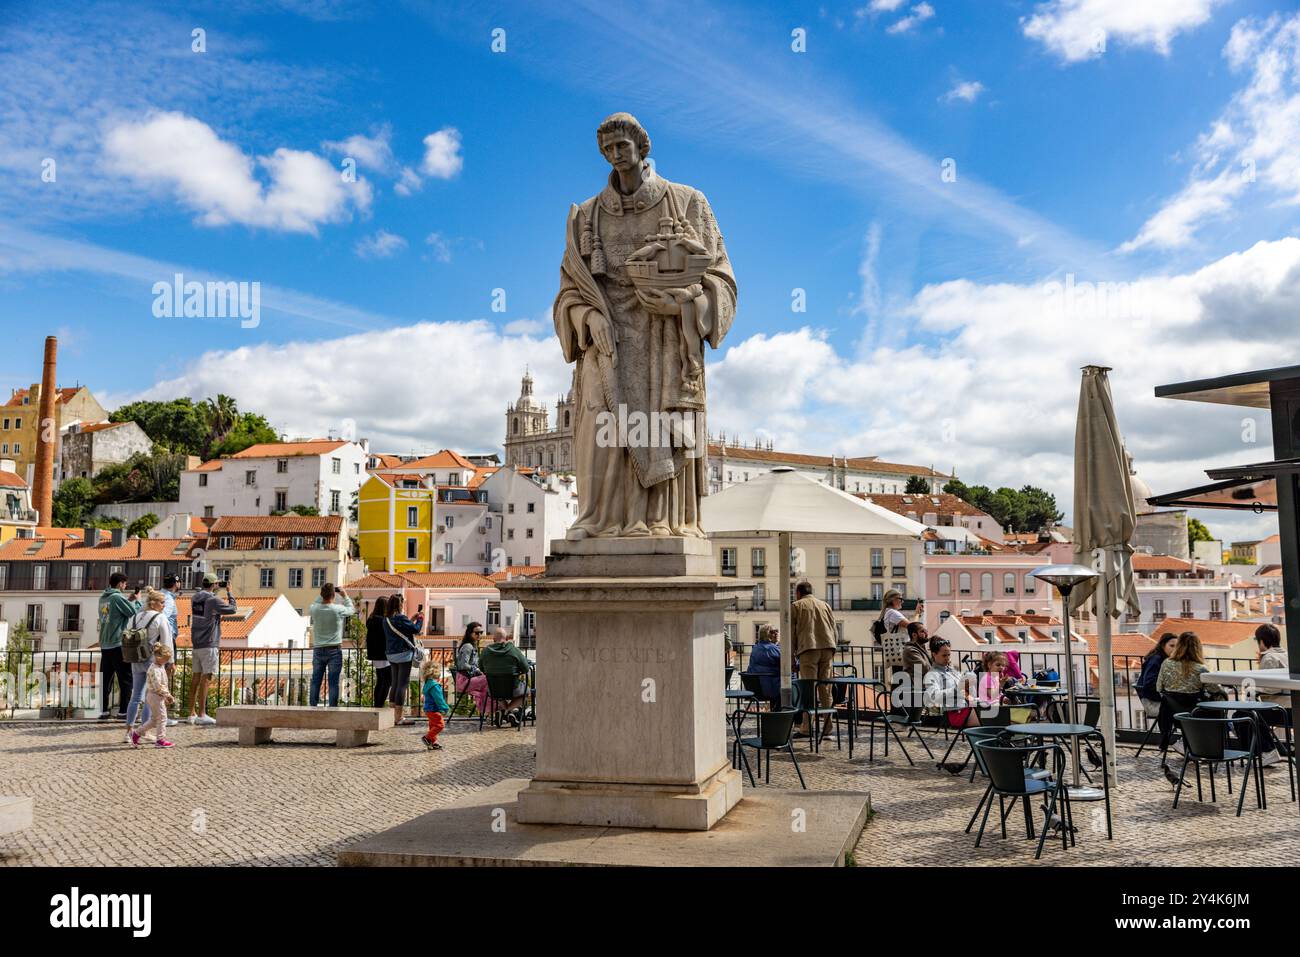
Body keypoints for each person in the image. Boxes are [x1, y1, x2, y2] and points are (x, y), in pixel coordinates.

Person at [1156, 631, 1225, 782]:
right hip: (1196, 717)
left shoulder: (1166, 664)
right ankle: (1212, 747)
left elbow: (1159, 688)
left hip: (1173, 716)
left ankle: (1191, 749)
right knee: (1216, 707)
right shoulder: (1200, 669)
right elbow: (1216, 690)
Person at [124, 589, 174, 745]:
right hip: (151, 660)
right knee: (150, 696)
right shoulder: (160, 618)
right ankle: (144, 731)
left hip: (134, 657)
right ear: (155, 603)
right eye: (162, 602)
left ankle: (128, 732)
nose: (164, 605)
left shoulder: (134, 617)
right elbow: (167, 642)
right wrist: (170, 661)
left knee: (135, 696)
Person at [188, 573, 237, 725]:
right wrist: (229, 591)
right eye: (217, 583)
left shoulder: (195, 598)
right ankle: (202, 714)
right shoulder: (213, 599)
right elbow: (232, 609)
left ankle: (191, 714)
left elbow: (207, 613)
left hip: (196, 642)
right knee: (206, 679)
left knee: (195, 679)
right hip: (209, 643)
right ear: (214, 584)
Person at [791, 580, 837, 739]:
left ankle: (806, 728)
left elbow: (792, 633)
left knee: (808, 690)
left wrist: (791, 656)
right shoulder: (825, 605)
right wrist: (833, 650)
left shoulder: (797, 606)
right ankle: (827, 729)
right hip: (828, 648)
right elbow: (833, 629)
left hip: (808, 649)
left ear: (798, 593)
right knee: (826, 690)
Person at [97, 572, 140, 719]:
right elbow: (133, 612)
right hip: (117, 644)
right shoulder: (116, 597)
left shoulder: (104, 597)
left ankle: (103, 711)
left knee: (106, 679)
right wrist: (137, 600)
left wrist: (128, 600)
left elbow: (114, 613)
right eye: (124, 583)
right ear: (120, 583)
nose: (125, 586)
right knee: (125, 679)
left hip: (105, 644)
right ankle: (123, 711)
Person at [308, 583, 355, 708]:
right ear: (333, 595)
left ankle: (313, 706)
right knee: (333, 682)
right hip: (334, 650)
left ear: (322, 594)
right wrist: (344, 595)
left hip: (318, 649)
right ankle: (332, 707)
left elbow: (314, 603)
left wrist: (322, 595)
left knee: (316, 680)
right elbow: (351, 609)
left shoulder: (314, 609)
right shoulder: (337, 609)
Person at [479, 626, 532, 725]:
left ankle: (503, 711)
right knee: (526, 692)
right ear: (507, 639)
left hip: (494, 690)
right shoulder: (514, 650)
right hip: (512, 688)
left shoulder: (485, 652)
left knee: (498, 694)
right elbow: (526, 668)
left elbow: (481, 668)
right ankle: (508, 711)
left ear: (493, 639)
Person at [384, 593, 423, 726]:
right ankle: (399, 718)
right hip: (403, 654)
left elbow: (403, 629)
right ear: (399, 604)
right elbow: (416, 630)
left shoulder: (386, 619)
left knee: (394, 683)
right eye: (402, 602)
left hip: (391, 654)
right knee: (402, 684)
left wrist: (411, 619)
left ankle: (392, 716)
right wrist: (420, 618)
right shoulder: (400, 617)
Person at [132, 641, 176, 749]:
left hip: (155, 696)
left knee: (154, 719)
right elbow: (158, 686)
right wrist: (168, 695)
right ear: (158, 656)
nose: (166, 662)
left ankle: (137, 733)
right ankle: (160, 740)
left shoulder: (158, 666)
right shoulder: (155, 669)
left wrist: (165, 695)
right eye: (165, 659)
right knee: (162, 718)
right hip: (155, 695)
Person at [1135, 633, 1178, 721]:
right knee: (1186, 710)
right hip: (1153, 703)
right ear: (1163, 645)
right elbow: (1150, 683)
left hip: (1156, 700)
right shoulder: (1156, 660)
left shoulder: (1162, 659)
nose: (1175, 649)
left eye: (1177, 646)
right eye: (1172, 646)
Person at [454, 622, 489, 715]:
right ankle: (488, 710)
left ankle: (487, 710)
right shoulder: (468, 647)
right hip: (464, 681)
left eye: (481, 632)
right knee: (489, 680)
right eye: (477, 633)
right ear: (470, 633)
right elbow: (462, 665)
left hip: (468, 679)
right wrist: (477, 670)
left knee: (488, 683)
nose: (479, 635)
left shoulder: (472, 645)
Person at [160, 574, 181, 726]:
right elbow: (163, 619)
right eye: (179, 581)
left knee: (160, 678)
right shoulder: (168, 599)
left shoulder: (161, 595)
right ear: (175, 583)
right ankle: (162, 716)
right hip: (167, 640)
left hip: (161, 640)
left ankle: (158, 715)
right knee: (164, 678)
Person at [366, 596, 392, 708]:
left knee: (381, 680)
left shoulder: (371, 620)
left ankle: (378, 704)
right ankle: (379, 704)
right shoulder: (384, 621)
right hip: (384, 654)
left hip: (375, 654)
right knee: (386, 681)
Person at [420, 659, 451, 750]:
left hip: (428, 709)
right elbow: (439, 699)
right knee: (440, 725)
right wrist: (445, 708)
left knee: (432, 726)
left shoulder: (427, 683)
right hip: (433, 709)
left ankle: (432, 742)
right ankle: (427, 738)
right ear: (435, 672)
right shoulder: (434, 685)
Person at [747, 624, 782, 704]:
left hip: (756, 689)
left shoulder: (755, 648)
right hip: (772, 688)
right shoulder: (771, 649)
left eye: (777, 631)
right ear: (766, 634)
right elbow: (788, 663)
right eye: (773, 632)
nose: (776, 634)